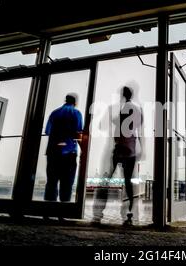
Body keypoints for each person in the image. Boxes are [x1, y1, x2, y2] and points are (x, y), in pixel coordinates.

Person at [93, 86, 144, 226]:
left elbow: (105, 125)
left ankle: (98, 213)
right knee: (128, 182)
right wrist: (141, 149)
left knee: (106, 179)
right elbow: (139, 131)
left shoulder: (119, 109)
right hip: (131, 150)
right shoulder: (137, 110)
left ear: (122, 94)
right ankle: (128, 213)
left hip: (119, 148)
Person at [44, 93, 83, 203]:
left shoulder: (54, 113)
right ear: (75, 102)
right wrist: (84, 151)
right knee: (67, 183)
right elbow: (78, 134)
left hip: (52, 152)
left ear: (65, 100)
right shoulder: (76, 113)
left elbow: (48, 131)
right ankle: (63, 211)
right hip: (69, 153)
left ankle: (48, 210)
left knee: (51, 182)